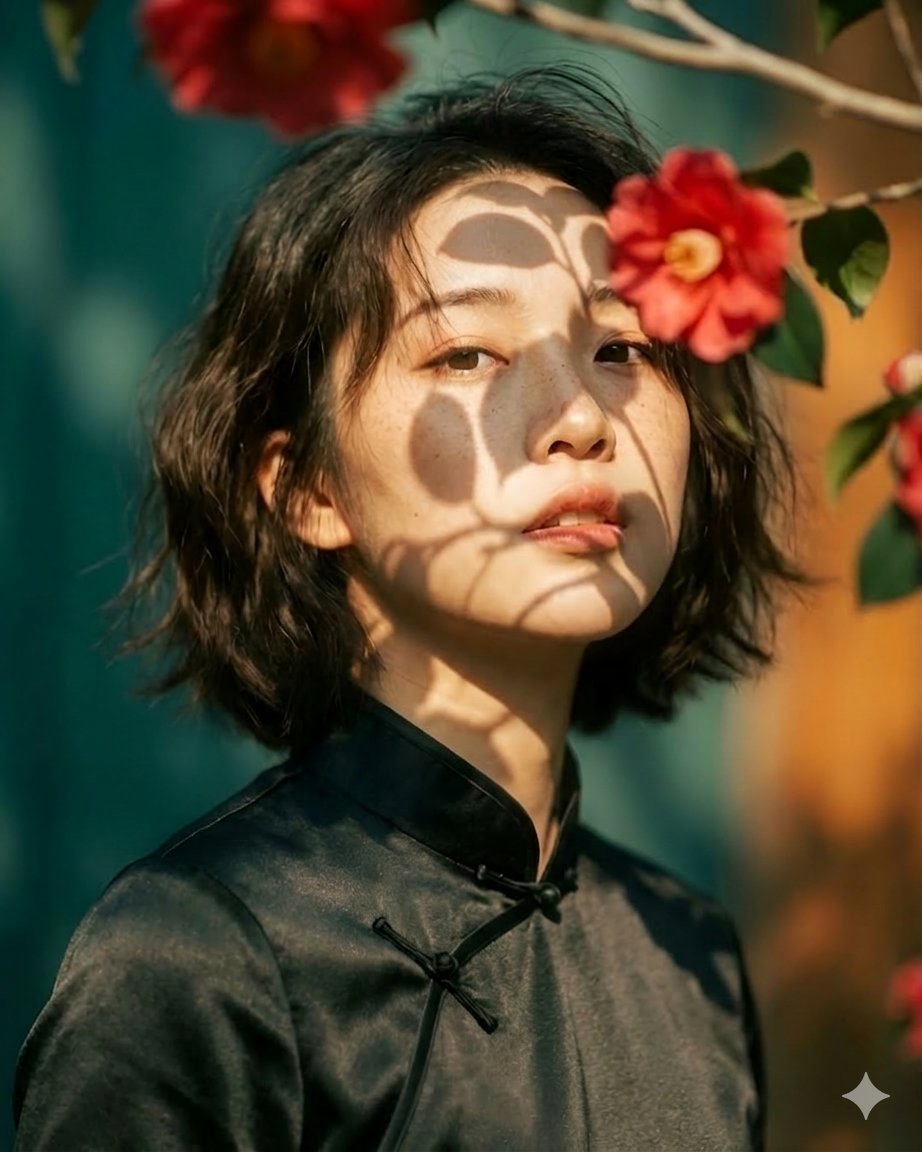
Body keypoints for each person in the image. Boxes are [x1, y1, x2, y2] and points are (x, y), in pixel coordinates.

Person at [13, 65, 801, 1151]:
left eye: (622, 347)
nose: (579, 416)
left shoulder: (689, 952)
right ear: (308, 488)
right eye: (466, 352)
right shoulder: (198, 958)